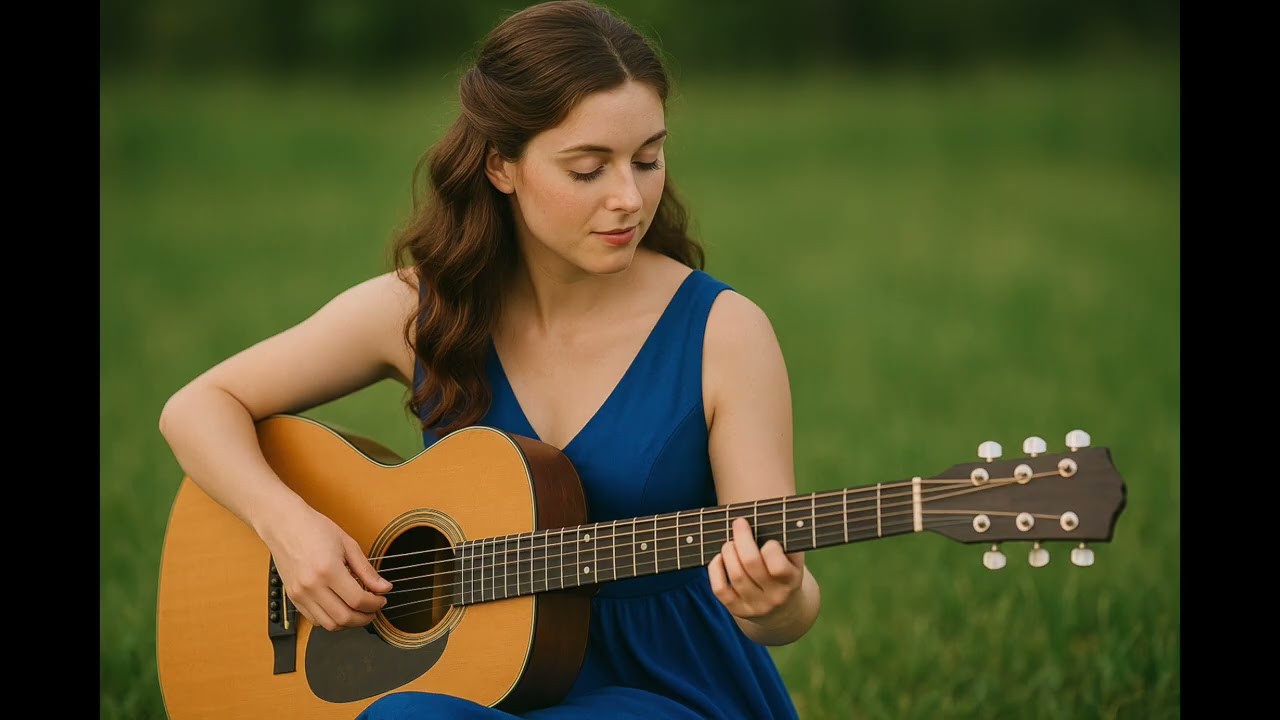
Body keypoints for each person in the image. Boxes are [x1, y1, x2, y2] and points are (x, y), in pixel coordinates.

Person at [157, 1, 821, 717]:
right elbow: (196, 408)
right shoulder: (422, 311)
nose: (630, 198)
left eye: (648, 159)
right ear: (502, 165)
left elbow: (783, 603)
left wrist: (775, 602)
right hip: (477, 680)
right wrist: (290, 529)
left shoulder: (723, 333)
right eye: (589, 169)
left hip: (667, 692)